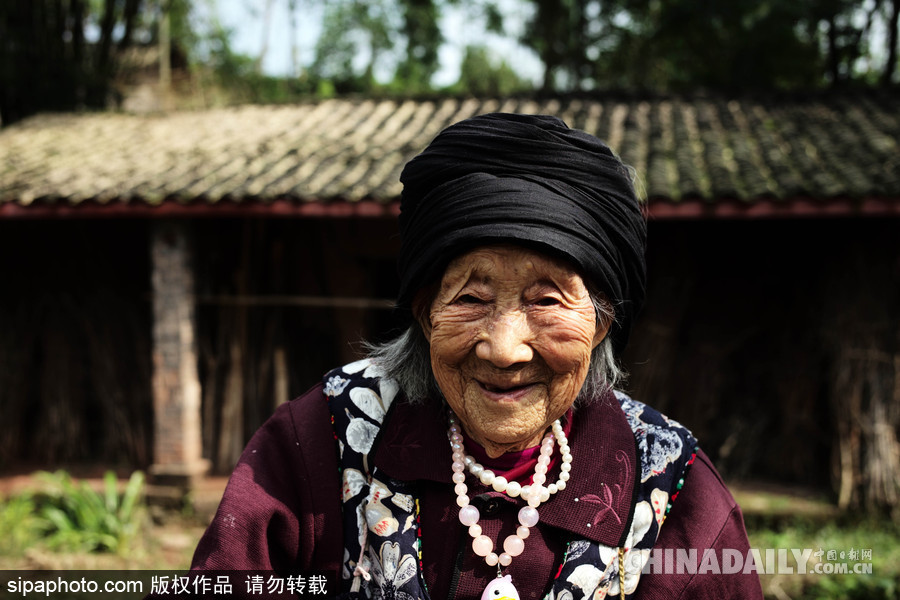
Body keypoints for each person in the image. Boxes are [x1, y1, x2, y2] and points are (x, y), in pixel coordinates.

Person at [186, 114, 763, 599]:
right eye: (470, 298)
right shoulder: (322, 441)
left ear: (600, 321)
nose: (504, 348)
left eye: (546, 300)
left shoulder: (672, 491)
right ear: (424, 312)